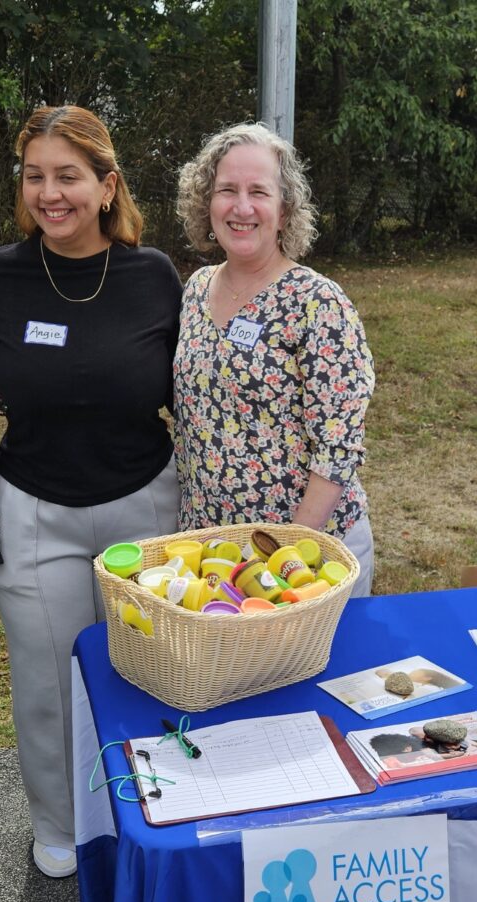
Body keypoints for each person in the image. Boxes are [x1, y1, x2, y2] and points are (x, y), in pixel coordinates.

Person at [0, 106, 181, 877]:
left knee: (152, 671)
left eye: (67, 176)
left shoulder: (153, 276)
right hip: (35, 512)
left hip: (145, 506)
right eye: (34, 176)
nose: (49, 193)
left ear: (106, 185)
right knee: (48, 684)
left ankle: (156, 813)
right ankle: (61, 826)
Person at [174, 123, 375, 597]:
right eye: (227, 190)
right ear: (207, 203)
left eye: (259, 192)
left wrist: (285, 553)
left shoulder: (318, 303)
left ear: (284, 211)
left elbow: (338, 446)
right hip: (215, 554)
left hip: (305, 557)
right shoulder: (196, 290)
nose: (242, 207)